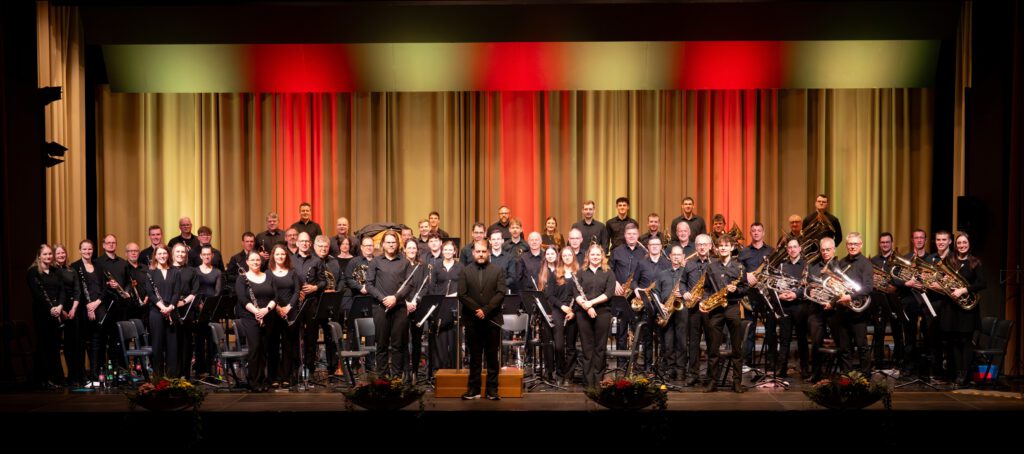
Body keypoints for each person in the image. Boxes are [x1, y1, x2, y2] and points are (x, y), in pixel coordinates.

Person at [458, 240, 507, 400]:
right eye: (478, 251)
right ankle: (474, 389)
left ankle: (492, 390)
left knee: (492, 357)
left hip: (492, 319)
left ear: (488, 252)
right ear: (473, 253)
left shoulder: (498, 270)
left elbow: (501, 293)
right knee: (475, 357)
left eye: (483, 251)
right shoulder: (465, 271)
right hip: (472, 320)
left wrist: (485, 310)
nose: (480, 254)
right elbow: (461, 294)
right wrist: (477, 310)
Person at [699, 234, 748, 393]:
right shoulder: (711, 267)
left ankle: (737, 382)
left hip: (733, 307)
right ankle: (712, 381)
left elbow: (745, 288)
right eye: (721, 246)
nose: (723, 248)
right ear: (717, 249)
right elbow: (706, 288)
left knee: (736, 348)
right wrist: (704, 301)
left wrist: (737, 290)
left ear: (732, 248)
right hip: (716, 309)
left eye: (726, 245)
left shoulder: (739, 267)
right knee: (713, 348)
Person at [365, 231, 412, 375]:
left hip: (399, 308)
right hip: (380, 307)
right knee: (382, 345)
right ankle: (383, 379)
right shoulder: (375, 262)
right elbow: (369, 285)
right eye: (388, 242)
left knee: (398, 345)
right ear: (383, 244)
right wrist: (383, 299)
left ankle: (396, 378)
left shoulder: (404, 262)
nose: (391, 245)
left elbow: (409, 285)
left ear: (398, 244)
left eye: (393, 242)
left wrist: (395, 298)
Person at [943, 232, 986, 386]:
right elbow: (943, 278)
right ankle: (958, 373)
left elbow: (982, 283)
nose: (962, 245)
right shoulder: (950, 261)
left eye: (964, 243)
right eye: (959, 243)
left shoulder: (975, 262)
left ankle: (965, 374)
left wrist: (964, 290)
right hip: (952, 307)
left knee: (966, 341)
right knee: (955, 340)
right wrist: (945, 281)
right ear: (956, 245)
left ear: (969, 244)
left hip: (967, 308)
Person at [235, 251, 277, 392]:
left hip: (268, 315)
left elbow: (275, 297)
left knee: (264, 349)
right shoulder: (242, 278)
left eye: (258, 260)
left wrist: (266, 310)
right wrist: (257, 312)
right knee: (255, 348)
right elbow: (242, 299)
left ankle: (263, 380)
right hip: (250, 316)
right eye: (252, 260)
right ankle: (254, 382)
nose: (255, 262)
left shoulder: (269, 276)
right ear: (247, 262)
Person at [26, 244, 66, 389]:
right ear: (39, 256)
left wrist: (60, 306)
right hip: (42, 313)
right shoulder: (33, 272)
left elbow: (62, 291)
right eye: (45, 254)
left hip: (57, 312)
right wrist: (50, 309)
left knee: (55, 346)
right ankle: (42, 379)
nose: (48, 256)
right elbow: (37, 293)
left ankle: (55, 378)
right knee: (44, 346)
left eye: (50, 254)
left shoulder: (55, 271)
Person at [575, 244, 615, 388]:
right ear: (588, 256)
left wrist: (591, 303)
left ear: (602, 256)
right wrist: (586, 307)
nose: (595, 257)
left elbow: (609, 293)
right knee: (587, 348)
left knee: (600, 347)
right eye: (593, 254)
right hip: (583, 313)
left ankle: (598, 380)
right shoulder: (581, 272)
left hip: (603, 312)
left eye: (598, 254)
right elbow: (576, 293)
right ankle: (588, 381)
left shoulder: (608, 272)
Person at [145, 245, 180, 377]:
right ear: (155, 256)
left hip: (171, 312)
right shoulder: (150, 272)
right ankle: (158, 378)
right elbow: (150, 293)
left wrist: (170, 307)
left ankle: (172, 377)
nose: (162, 256)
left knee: (172, 346)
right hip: (156, 312)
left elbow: (177, 293)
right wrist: (162, 307)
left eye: (164, 253)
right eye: (159, 254)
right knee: (157, 345)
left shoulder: (175, 272)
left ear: (168, 255)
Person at [267, 244, 300, 387]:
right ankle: (274, 377)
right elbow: (268, 293)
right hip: (273, 313)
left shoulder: (292, 272)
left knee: (288, 346)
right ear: (273, 256)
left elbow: (297, 292)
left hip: (290, 312)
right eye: (277, 254)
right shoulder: (267, 273)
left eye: (282, 254)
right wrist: (278, 308)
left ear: (286, 256)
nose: (280, 256)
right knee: (273, 346)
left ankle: (286, 377)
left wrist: (288, 307)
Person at [429, 241, 462, 370]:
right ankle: (440, 369)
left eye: (450, 250)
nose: (448, 252)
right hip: (440, 307)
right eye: (445, 250)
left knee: (455, 339)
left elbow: (464, 286)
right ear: (442, 251)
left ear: (454, 251)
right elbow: (431, 287)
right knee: (440, 338)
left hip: (455, 306)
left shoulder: (460, 267)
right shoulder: (436, 267)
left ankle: (455, 369)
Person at [193, 245, 223, 377]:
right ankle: (200, 370)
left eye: (208, 254)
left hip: (212, 309)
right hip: (198, 310)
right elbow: (194, 290)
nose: (206, 256)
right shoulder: (195, 271)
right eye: (204, 254)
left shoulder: (217, 272)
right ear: (201, 256)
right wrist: (199, 304)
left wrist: (209, 306)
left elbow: (217, 292)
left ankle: (211, 370)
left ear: (212, 256)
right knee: (199, 341)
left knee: (212, 342)